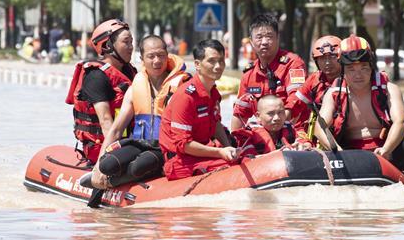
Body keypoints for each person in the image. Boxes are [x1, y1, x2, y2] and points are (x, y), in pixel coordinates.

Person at [314, 35, 404, 188]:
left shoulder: (389, 89)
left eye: (364, 68)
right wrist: (338, 151)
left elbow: (400, 121)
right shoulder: (334, 93)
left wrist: (386, 150)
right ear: (343, 69)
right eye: (351, 69)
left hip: (387, 150)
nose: (358, 75)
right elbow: (320, 127)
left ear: (371, 67)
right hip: (349, 152)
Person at [87, 35, 191, 188]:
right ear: (142, 59)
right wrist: (98, 165)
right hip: (139, 143)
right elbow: (116, 129)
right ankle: (109, 176)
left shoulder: (181, 85)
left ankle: (111, 182)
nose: (157, 61)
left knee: (137, 167)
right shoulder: (135, 88)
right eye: (151, 56)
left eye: (161, 55)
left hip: (164, 149)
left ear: (167, 56)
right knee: (107, 165)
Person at [159, 39, 238, 180]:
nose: (218, 66)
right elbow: (183, 144)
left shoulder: (213, 93)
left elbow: (216, 124)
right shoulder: (186, 97)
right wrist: (220, 152)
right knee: (231, 168)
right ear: (197, 64)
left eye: (221, 61)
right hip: (180, 161)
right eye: (212, 61)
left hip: (200, 154)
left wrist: (228, 148)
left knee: (242, 158)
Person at [65, 19, 136, 163]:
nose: (131, 47)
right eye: (126, 42)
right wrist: (113, 158)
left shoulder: (130, 72)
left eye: (131, 42)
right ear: (107, 46)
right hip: (104, 147)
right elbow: (105, 121)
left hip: (130, 141)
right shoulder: (96, 76)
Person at [231, 13, 306, 131]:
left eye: (269, 36)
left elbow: (296, 101)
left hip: (295, 133)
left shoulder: (293, 64)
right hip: (264, 136)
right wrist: (234, 142)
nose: (264, 42)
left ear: (278, 37)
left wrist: (274, 128)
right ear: (251, 41)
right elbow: (240, 113)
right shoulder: (249, 74)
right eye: (259, 37)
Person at [287, 35, 342, 142]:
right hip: (317, 137)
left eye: (332, 57)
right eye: (322, 58)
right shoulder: (314, 80)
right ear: (316, 61)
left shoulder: (349, 79)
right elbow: (295, 106)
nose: (327, 62)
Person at [231, 95, 310, 156]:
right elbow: (248, 159)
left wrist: (303, 146)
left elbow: (305, 142)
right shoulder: (249, 135)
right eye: (271, 113)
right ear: (258, 116)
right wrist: (281, 153)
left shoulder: (290, 128)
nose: (277, 118)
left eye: (280, 112)